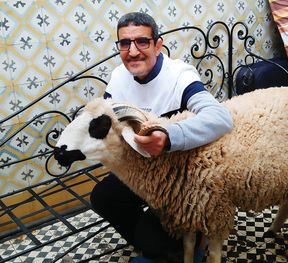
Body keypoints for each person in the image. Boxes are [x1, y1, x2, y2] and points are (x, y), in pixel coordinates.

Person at [90, 12, 233, 262]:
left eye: (142, 41)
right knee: (103, 197)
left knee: (155, 237)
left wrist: (169, 137)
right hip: (140, 169)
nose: (132, 51)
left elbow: (220, 118)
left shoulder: (180, 75)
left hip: (177, 176)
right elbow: (109, 121)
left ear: (158, 44)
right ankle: (162, 246)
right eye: (125, 43)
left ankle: (190, 237)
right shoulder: (118, 77)